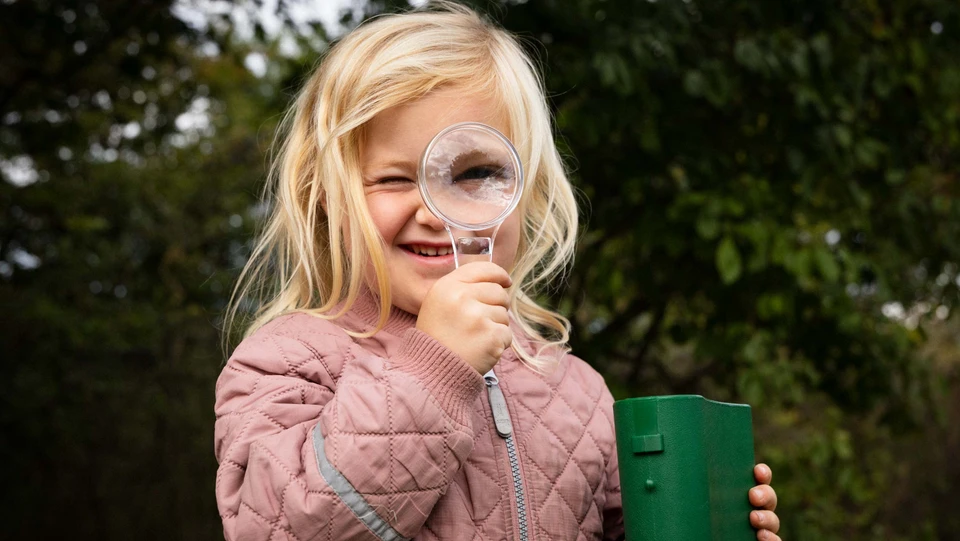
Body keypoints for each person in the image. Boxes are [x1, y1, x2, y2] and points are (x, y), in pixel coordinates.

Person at [214, 2, 782, 540]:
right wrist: (434, 370)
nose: (435, 211)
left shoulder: (578, 391)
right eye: (393, 179)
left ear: (527, 193)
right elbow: (283, 526)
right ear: (327, 201)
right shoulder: (287, 362)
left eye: (476, 174)